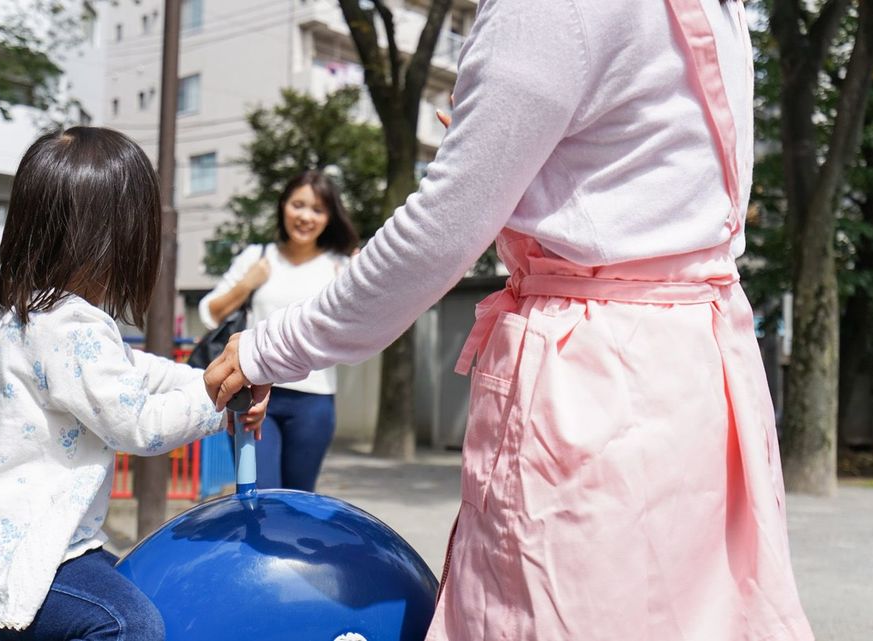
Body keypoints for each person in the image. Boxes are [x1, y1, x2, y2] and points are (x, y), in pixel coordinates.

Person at [205, 0, 815, 638]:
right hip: (698, 369)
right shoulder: (722, 12)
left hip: (588, 379)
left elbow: (440, 231)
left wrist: (272, 346)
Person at [0, 127, 266, 641]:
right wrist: (215, 400)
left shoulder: (30, 316)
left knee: (127, 585)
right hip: (26, 559)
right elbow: (137, 424)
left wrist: (210, 377)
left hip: (0, 550)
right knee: (130, 624)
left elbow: (137, 372)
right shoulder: (70, 326)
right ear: (119, 236)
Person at [198, 170, 358, 491]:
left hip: (314, 400)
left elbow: (358, 330)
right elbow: (209, 313)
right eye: (298, 204)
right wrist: (248, 284)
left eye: (317, 209)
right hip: (254, 395)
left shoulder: (341, 266)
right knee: (258, 498)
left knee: (298, 502)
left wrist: (359, 278)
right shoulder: (256, 257)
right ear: (283, 205)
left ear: (329, 218)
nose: (305, 216)